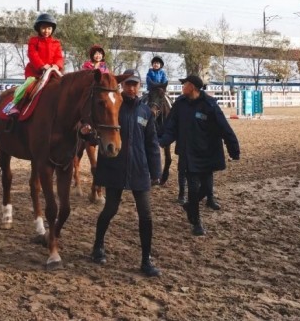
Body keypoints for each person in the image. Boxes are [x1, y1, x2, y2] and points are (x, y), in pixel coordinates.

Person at [84, 69, 162, 277]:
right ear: (122, 85)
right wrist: (87, 136)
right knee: (110, 209)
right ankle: (98, 246)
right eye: (128, 83)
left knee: (146, 215)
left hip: (139, 169)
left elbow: (152, 143)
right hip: (115, 167)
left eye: (135, 84)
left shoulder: (145, 112)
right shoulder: (114, 107)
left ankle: (146, 259)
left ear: (139, 86)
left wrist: (156, 171)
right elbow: (98, 135)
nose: (131, 87)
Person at [159, 74, 240, 236]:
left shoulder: (209, 105)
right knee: (194, 189)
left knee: (207, 187)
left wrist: (233, 149)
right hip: (188, 154)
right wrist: (160, 141)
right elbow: (170, 128)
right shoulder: (180, 105)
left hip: (207, 153)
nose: (182, 87)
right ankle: (196, 222)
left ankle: (190, 205)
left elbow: (225, 128)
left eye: (185, 84)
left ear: (193, 87)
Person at [6, 13, 64, 130]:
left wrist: (57, 66)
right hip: (36, 73)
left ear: (52, 29)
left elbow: (59, 57)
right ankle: (14, 106)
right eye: (43, 28)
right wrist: (42, 66)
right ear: (39, 28)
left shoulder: (56, 43)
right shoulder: (34, 41)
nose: (46, 31)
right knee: (28, 85)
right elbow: (32, 55)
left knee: (64, 87)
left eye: (49, 28)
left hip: (52, 72)